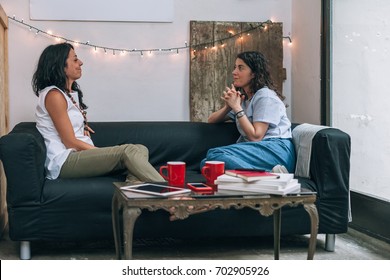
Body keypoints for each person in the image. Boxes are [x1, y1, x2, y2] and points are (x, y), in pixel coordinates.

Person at [32, 42, 164, 183]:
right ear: (60, 66)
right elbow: (70, 142)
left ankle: (131, 204)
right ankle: (172, 194)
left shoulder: (67, 94)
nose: (81, 63)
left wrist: (81, 125)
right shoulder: (54, 95)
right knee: (128, 151)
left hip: (78, 155)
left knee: (140, 148)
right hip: (64, 161)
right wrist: (100, 153)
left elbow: (69, 127)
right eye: (75, 59)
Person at [200, 51, 296, 173]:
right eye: (235, 67)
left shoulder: (265, 96)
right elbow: (211, 120)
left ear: (254, 74)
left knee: (215, 154)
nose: (234, 72)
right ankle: (267, 173)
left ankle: (269, 177)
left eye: (241, 68)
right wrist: (228, 107)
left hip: (276, 150)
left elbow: (256, 136)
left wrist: (237, 108)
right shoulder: (245, 99)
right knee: (206, 164)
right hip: (259, 150)